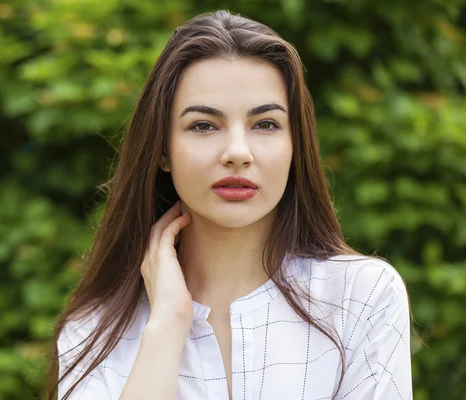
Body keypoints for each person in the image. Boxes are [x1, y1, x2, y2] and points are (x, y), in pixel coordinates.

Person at [45, 9, 413, 400]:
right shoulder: (95, 331)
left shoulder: (361, 297)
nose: (237, 153)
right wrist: (167, 324)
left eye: (265, 124)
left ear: (295, 146)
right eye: (203, 125)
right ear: (162, 149)